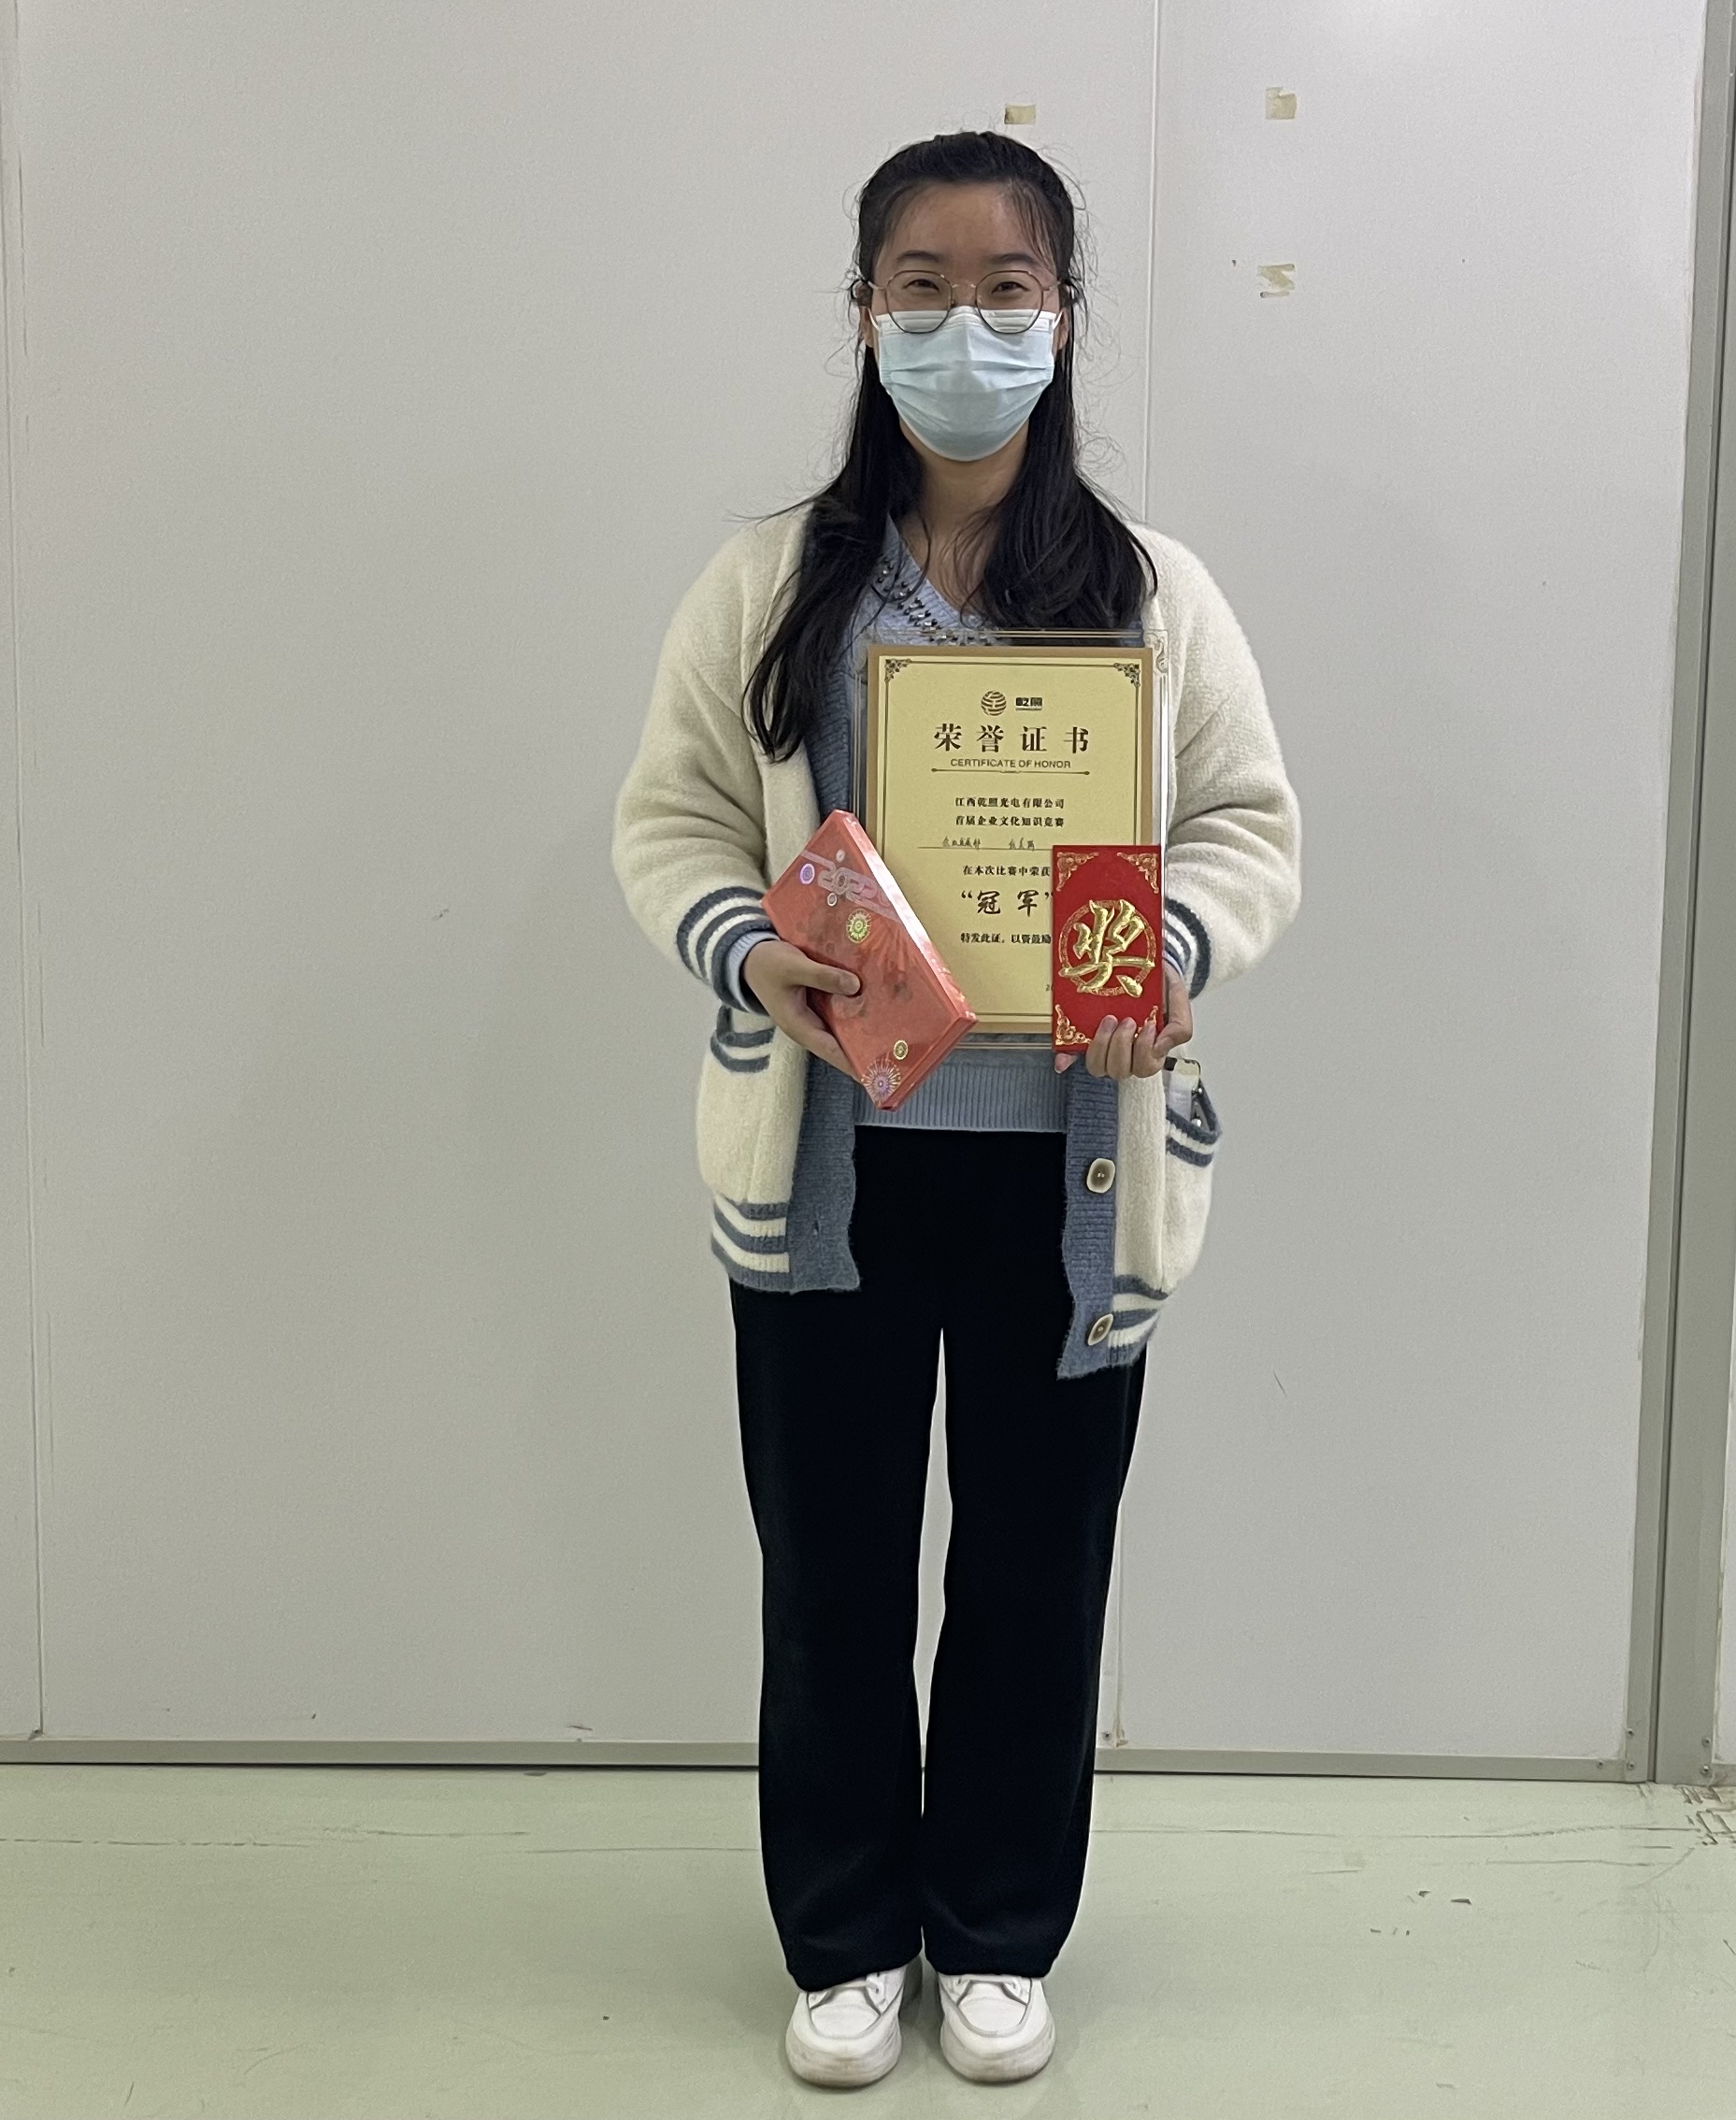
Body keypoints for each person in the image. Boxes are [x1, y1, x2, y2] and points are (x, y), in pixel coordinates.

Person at [610, 129, 1299, 2089]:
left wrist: (1166, 946)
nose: (966, 326)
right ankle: (845, 1940)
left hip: (1069, 1181)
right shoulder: (772, 585)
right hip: (829, 1171)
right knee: (828, 1573)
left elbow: (1246, 826)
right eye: (923, 287)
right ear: (863, 315)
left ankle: (993, 1933)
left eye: (1008, 289)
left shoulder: (1151, 595)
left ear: (1064, 317)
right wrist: (756, 955)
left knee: (1032, 1575)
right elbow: (671, 823)